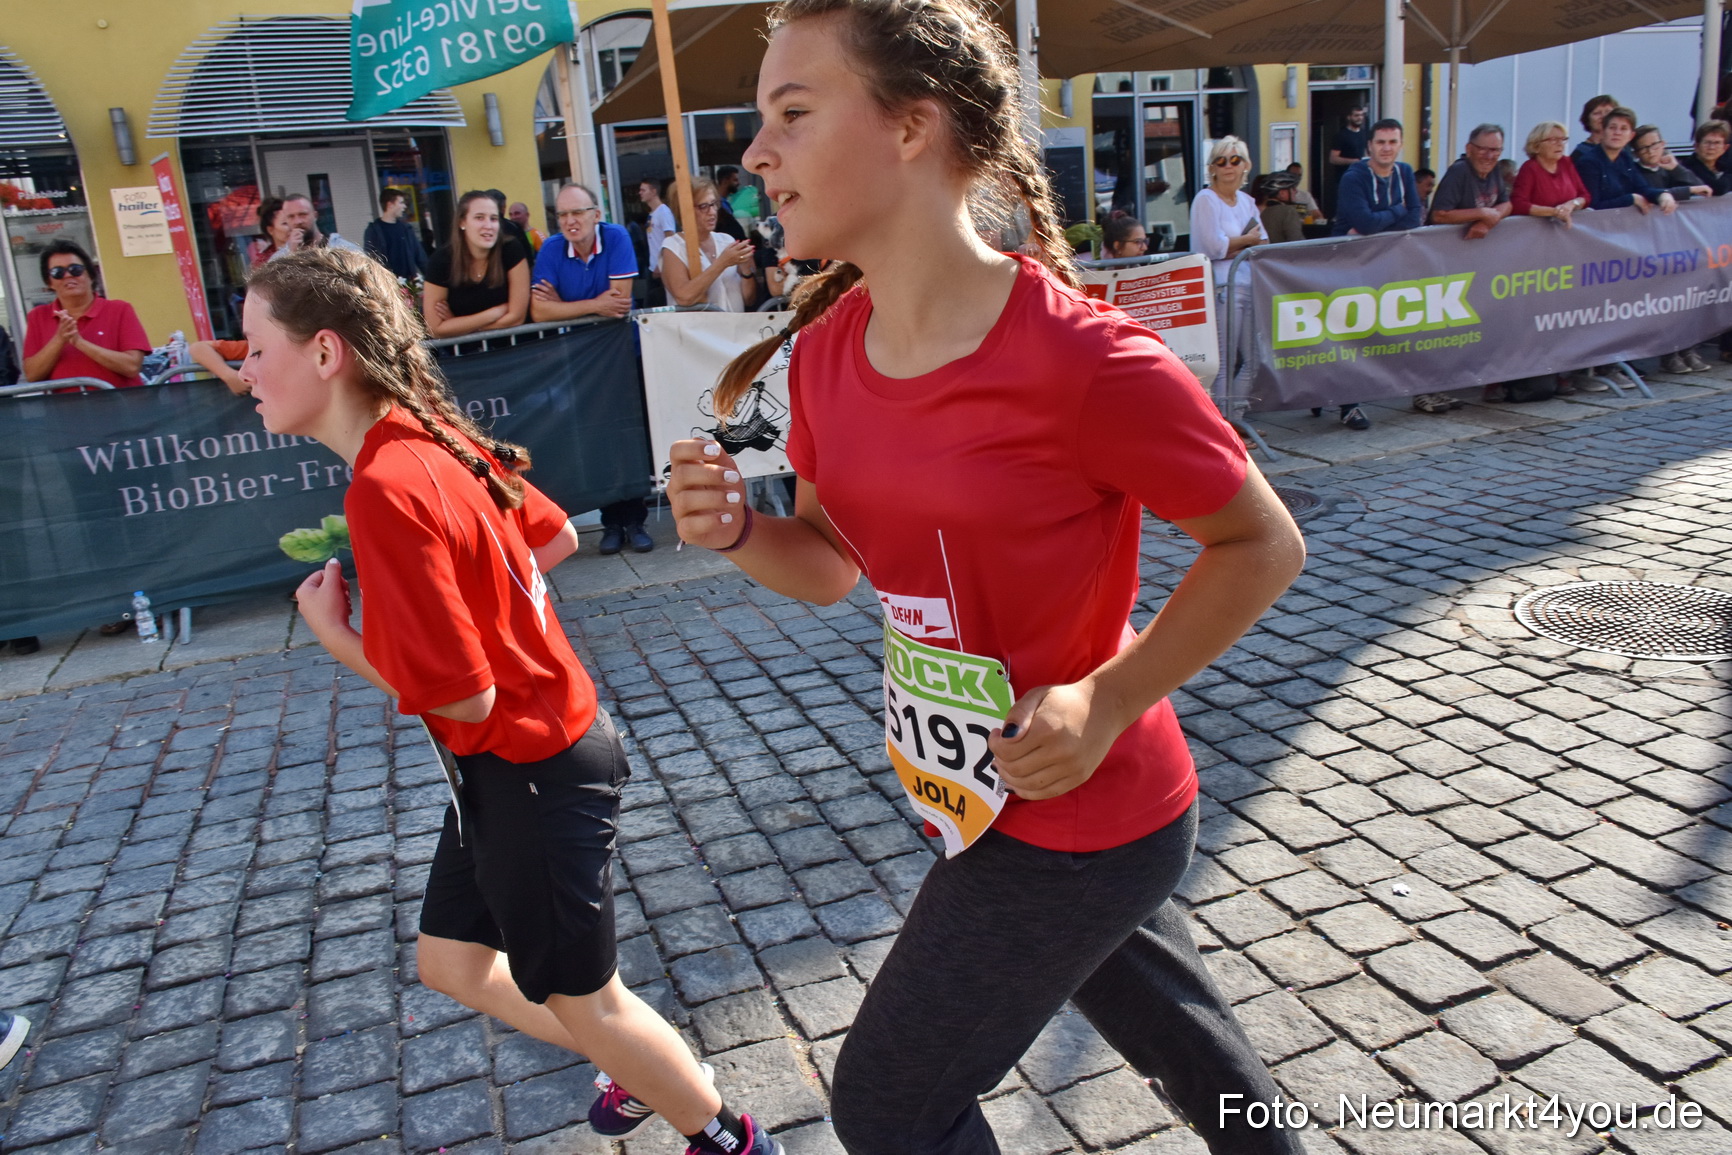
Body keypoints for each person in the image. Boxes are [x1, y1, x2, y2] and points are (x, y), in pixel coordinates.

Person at [668, 4, 1309, 1154]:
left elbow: (1262, 544)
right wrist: (733, 537)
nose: (754, 155)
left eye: (792, 115)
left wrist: (1105, 697)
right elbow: (829, 571)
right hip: (965, 793)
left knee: (888, 1103)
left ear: (911, 128)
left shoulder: (1084, 361)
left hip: (1085, 816)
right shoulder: (822, 355)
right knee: (1194, 1057)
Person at [243, 247, 780, 1155]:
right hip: (528, 762)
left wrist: (340, 638)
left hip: (530, 769)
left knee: (588, 998)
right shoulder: (425, 436)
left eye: (256, 348)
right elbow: (556, 535)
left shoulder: (384, 484)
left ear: (326, 353)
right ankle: (646, 1069)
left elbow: (465, 699)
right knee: (451, 963)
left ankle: (727, 1134)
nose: (243, 371)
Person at [529, 183, 648, 555]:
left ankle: (636, 521)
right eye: (562, 214)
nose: (569, 221)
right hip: (578, 360)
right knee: (593, 438)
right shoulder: (551, 249)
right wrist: (594, 303)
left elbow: (620, 302)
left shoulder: (616, 238)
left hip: (620, 354)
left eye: (577, 212)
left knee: (628, 435)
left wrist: (567, 305)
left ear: (596, 214)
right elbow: (538, 312)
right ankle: (611, 523)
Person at [1327, 118, 1419, 430]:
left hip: (1387, 263)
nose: (1387, 148)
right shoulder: (1355, 175)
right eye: (1381, 142)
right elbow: (1362, 222)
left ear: (1401, 144)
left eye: (1392, 142)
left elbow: (1415, 217)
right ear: (1369, 146)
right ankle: (1347, 404)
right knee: (1349, 332)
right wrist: (1397, 211)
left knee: (1382, 330)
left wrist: (1386, 219)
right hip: (1347, 264)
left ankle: (1325, 395)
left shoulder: (1405, 173)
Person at [22, 240, 150, 389]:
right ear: (49, 282)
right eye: (57, 272)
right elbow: (32, 375)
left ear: (91, 275)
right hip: (64, 409)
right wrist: (59, 339)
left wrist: (79, 342)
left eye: (75, 269)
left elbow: (132, 367)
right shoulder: (38, 316)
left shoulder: (120, 309)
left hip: (120, 407)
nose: (68, 275)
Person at [423, 190, 531, 339]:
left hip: (515, 351)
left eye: (494, 219)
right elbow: (435, 329)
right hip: (468, 357)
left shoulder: (511, 249)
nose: (488, 225)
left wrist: (458, 325)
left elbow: (516, 317)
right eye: (479, 218)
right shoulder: (441, 261)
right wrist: (494, 313)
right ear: (462, 222)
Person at [660, 177, 758, 313]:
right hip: (698, 332)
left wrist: (747, 271)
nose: (712, 212)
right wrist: (722, 262)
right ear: (684, 211)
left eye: (713, 204)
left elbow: (749, 300)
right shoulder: (674, 246)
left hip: (735, 329)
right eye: (703, 206)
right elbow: (684, 297)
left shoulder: (726, 240)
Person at [1190, 135, 1264, 288]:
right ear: (1213, 168)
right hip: (1219, 287)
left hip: (1250, 283)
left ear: (1245, 165)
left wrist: (1229, 251)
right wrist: (1247, 240)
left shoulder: (1247, 201)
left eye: (1235, 160)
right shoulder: (1206, 199)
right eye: (1221, 161)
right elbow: (1213, 247)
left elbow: (1263, 243)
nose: (1228, 166)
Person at [1575, 107, 1675, 214]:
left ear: (1631, 136)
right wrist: (1631, 199)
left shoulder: (1625, 157)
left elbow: (1643, 188)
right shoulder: (1589, 162)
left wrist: (1663, 195)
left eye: (1623, 129)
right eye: (1612, 128)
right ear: (1603, 131)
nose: (1617, 133)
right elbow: (1593, 206)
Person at [1427, 124, 1511, 239]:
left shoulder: (1494, 168)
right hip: (1443, 247)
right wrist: (1482, 213)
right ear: (1469, 149)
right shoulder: (1459, 171)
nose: (1489, 156)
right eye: (1482, 149)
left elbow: (1506, 204)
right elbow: (1439, 215)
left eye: (1495, 150)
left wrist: (1487, 222)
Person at [256, 194, 363, 264]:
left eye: (303, 214)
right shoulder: (278, 260)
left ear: (315, 215)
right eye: (291, 217)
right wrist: (292, 255)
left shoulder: (344, 249)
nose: (298, 221)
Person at [363, 188, 428, 282]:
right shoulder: (374, 231)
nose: (404, 206)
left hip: (410, 284)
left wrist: (431, 278)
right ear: (390, 204)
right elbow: (371, 260)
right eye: (401, 203)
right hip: (388, 285)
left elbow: (420, 257)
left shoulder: (406, 229)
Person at [1681, 119, 1732, 196]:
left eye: (1717, 143)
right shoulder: (1687, 168)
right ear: (1696, 146)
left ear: (1725, 148)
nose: (1711, 147)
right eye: (1707, 142)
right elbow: (1717, 189)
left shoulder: (1724, 166)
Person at [1253, 172, 1304, 244]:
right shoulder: (1288, 211)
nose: (1296, 191)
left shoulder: (1264, 212)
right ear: (1282, 193)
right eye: (1292, 188)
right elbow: (1297, 242)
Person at [1571, 94, 1619, 165]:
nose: (1603, 116)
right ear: (1587, 120)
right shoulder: (1580, 153)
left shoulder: (1624, 149)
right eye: (1597, 113)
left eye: (1608, 112)